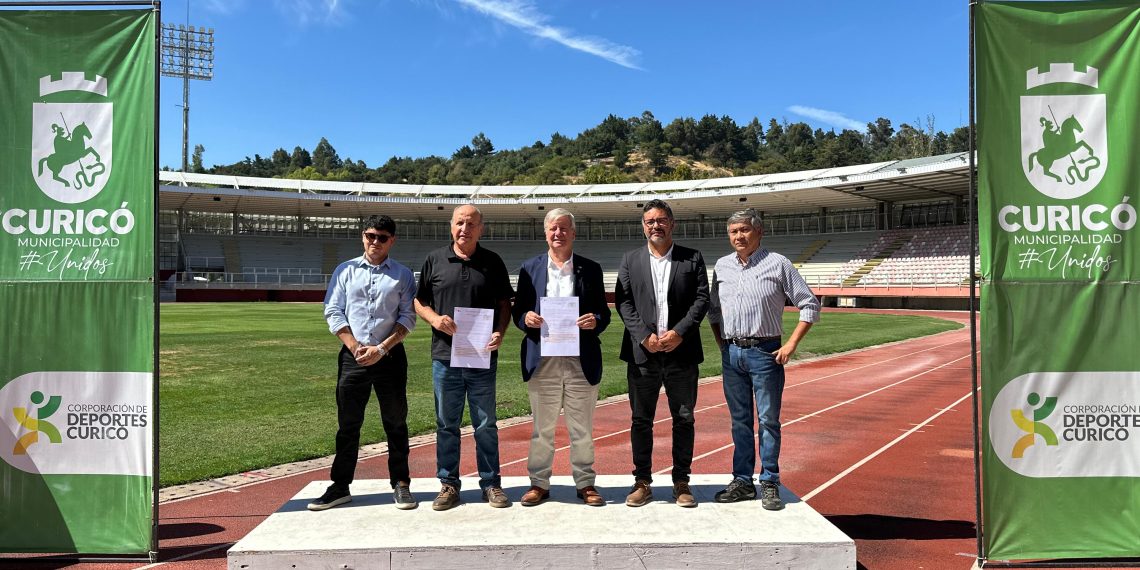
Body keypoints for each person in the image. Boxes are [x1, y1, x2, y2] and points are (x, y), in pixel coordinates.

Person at [707, 208, 820, 511]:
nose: (739, 236)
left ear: (759, 231)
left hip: (765, 353)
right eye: (733, 231)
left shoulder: (778, 264)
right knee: (740, 422)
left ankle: (769, 480)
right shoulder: (722, 266)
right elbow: (714, 310)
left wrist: (791, 345)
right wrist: (722, 345)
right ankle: (742, 480)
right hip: (732, 354)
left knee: (768, 421)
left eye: (744, 230)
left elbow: (809, 304)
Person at [310, 215, 417, 511]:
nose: (375, 242)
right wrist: (355, 346)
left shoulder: (403, 275)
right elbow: (333, 309)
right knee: (348, 424)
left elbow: (408, 317)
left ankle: (401, 483)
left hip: (390, 356)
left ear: (391, 240)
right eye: (371, 235)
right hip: (353, 357)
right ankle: (340, 485)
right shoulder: (345, 271)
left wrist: (381, 348)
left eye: (382, 237)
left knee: (395, 422)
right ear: (363, 236)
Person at [414, 204, 514, 510]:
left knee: (485, 423)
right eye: (459, 222)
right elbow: (419, 300)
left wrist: (500, 332)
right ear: (451, 225)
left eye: (471, 224)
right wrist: (434, 319)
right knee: (446, 423)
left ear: (481, 228)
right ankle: (448, 484)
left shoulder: (492, 261)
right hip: (445, 357)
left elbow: (504, 302)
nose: (464, 229)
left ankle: (491, 484)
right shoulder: (434, 259)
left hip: (481, 356)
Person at [614, 199, 709, 508]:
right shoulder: (630, 260)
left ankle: (681, 482)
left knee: (684, 419)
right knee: (641, 420)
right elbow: (623, 302)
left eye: (661, 220)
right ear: (643, 226)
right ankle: (642, 481)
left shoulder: (692, 258)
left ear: (672, 224)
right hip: (644, 355)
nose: (655, 225)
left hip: (681, 354)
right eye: (649, 221)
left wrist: (679, 332)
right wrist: (644, 336)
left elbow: (701, 300)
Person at [513, 209, 611, 507]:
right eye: (553, 228)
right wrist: (525, 318)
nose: (558, 233)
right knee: (542, 428)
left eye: (564, 228)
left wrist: (595, 319)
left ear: (573, 233)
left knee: (581, 428)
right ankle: (539, 483)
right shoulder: (529, 268)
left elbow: (603, 313)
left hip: (579, 358)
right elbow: (519, 312)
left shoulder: (591, 269)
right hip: (543, 360)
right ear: (546, 233)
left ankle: (585, 483)